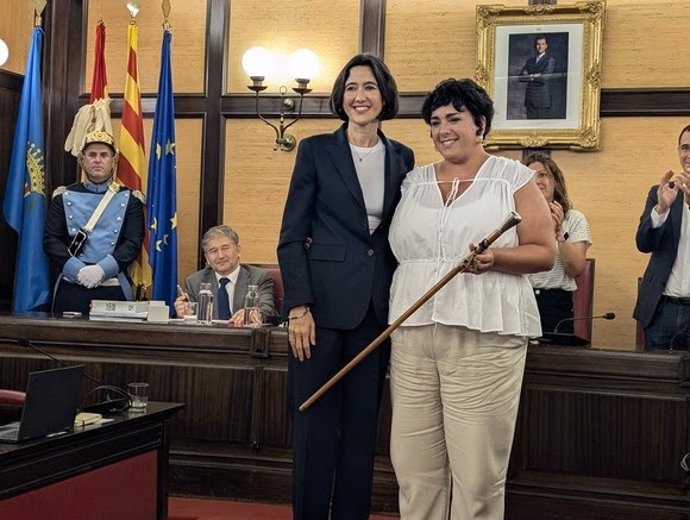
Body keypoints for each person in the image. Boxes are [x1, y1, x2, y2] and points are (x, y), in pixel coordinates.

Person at [387, 78, 554, 519]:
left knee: (477, 471)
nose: (443, 129)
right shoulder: (413, 181)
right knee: (413, 466)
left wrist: (495, 256)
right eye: (435, 121)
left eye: (454, 118)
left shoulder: (512, 178)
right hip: (413, 331)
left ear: (480, 124)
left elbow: (545, 252)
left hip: (486, 332)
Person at [277, 54, 414, 520]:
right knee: (315, 428)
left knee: (361, 432)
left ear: (385, 96)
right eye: (352, 87)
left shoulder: (403, 157)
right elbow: (292, 235)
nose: (360, 96)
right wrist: (298, 306)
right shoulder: (315, 150)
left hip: (376, 311)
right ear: (340, 97)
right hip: (318, 313)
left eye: (370, 87)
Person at [44, 130, 144, 315]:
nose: (97, 160)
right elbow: (51, 240)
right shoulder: (62, 197)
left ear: (114, 161)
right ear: (82, 160)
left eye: (104, 155)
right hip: (72, 285)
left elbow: (133, 243)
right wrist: (76, 270)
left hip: (112, 285)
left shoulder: (131, 200)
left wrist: (102, 269)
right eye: (92, 155)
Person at [634, 124, 690, 351]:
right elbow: (643, 243)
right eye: (685, 147)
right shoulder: (662, 193)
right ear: (679, 152)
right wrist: (661, 210)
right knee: (656, 382)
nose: (689, 154)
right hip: (661, 309)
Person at [523, 152, 592, 335]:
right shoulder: (514, 218)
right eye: (530, 177)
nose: (537, 181)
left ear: (555, 182)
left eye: (543, 175)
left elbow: (576, 268)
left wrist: (559, 231)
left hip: (555, 303)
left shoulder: (574, 219)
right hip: (520, 299)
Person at [173, 225, 275, 325]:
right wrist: (184, 314)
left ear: (238, 250)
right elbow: (191, 321)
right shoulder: (194, 282)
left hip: (244, 338)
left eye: (225, 248)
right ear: (207, 258)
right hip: (207, 339)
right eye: (214, 251)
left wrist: (254, 314)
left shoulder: (258, 277)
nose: (220, 256)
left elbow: (268, 309)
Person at [519, 35, 556, 119]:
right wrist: (534, 76)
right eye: (538, 44)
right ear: (535, 46)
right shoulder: (530, 61)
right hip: (530, 99)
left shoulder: (550, 60)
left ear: (546, 46)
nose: (540, 46)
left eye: (542, 44)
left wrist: (529, 76)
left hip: (542, 100)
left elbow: (544, 78)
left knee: (541, 128)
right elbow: (521, 77)